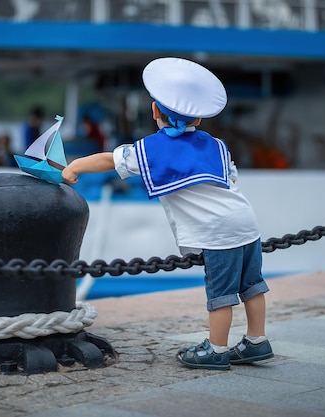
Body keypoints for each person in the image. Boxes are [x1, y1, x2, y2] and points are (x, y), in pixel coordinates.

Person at [62, 57, 273, 371]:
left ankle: (216, 350)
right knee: (253, 286)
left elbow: (111, 160)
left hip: (218, 234)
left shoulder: (153, 149)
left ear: (154, 111)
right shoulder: (217, 145)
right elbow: (231, 178)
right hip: (246, 223)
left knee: (222, 295)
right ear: (198, 120)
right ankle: (257, 341)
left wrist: (75, 165)